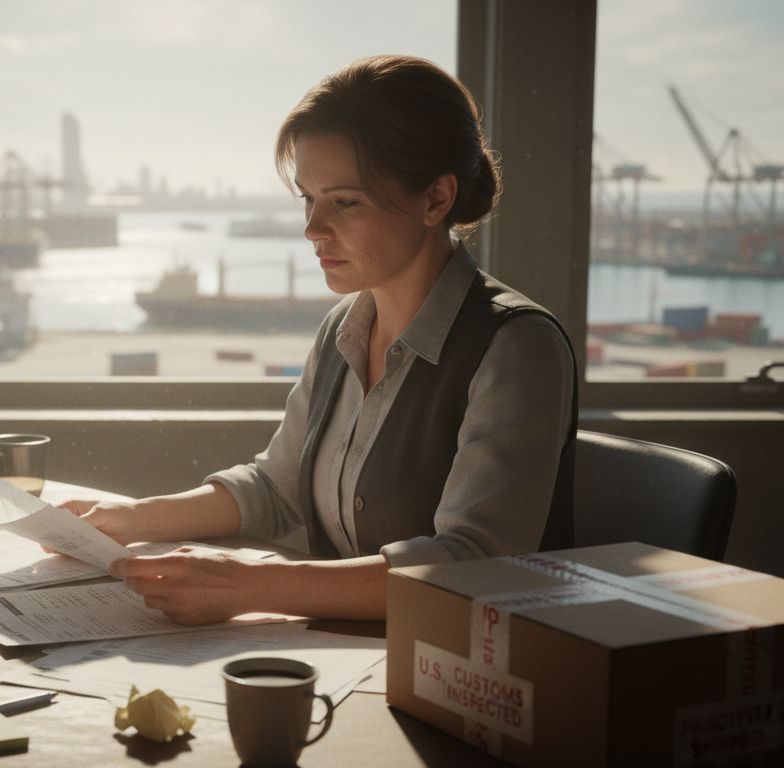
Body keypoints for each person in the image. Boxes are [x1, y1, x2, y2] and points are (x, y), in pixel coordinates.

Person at [60, 55, 577, 625]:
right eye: (309, 199)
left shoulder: (517, 348)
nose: (312, 229)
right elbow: (275, 488)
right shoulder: (342, 328)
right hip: (344, 656)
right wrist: (128, 518)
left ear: (436, 199)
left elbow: (472, 564)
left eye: (345, 201)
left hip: (449, 674)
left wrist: (251, 586)